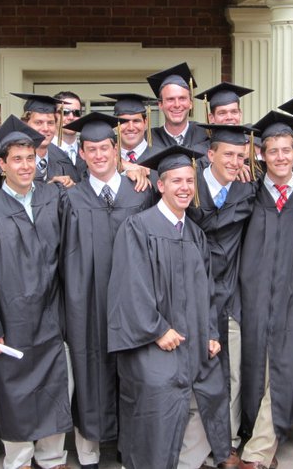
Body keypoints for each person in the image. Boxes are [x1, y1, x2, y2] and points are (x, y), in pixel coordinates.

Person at [107, 145, 234, 469]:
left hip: (192, 341)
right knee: (157, 402)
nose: (184, 188)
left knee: (212, 393)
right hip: (153, 344)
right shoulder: (138, 227)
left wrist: (210, 332)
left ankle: (184, 464)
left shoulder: (194, 234)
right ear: (160, 185)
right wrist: (157, 330)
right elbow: (130, 287)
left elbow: (207, 290)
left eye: (189, 181)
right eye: (176, 181)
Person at [0, 130, 72, 469]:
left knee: (55, 387)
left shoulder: (52, 197)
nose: (25, 166)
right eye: (17, 159)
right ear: (1, 165)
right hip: (10, 318)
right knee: (15, 393)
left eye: (30, 159)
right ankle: (19, 460)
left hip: (51, 312)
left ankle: (52, 457)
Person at [59, 112, 154, 469]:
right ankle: (89, 454)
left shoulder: (141, 192)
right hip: (85, 305)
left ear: (117, 150)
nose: (99, 155)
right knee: (89, 370)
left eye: (104, 148)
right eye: (91, 149)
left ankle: (131, 450)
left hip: (131, 303)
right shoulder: (70, 198)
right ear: (81, 154)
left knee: (132, 372)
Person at [238, 111, 293, 469]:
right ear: (261, 154)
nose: (280, 157)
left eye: (286, 150)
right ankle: (257, 435)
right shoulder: (249, 192)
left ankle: (260, 449)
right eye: (272, 151)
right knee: (254, 364)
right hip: (254, 293)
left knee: (284, 365)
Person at [187, 124, 258, 457]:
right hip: (190, 293)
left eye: (240, 156)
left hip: (229, 292)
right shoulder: (189, 186)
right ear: (209, 154)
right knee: (194, 372)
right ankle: (195, 445)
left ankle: (226, 445)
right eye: (227, 154)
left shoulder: (247, 190)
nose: (234, 161)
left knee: (231, 371)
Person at [146, 62, 210, 153]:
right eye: (170, 99)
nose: (177, 105)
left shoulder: (206, 135)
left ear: (191, 103)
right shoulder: (149, 139)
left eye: (182, 98)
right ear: (160, 104)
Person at [53, 90, 87, 174]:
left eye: (77, 113)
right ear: (53, 115)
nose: (71, 117)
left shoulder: (87, 153)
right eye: (65, 112)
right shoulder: (44, 152)